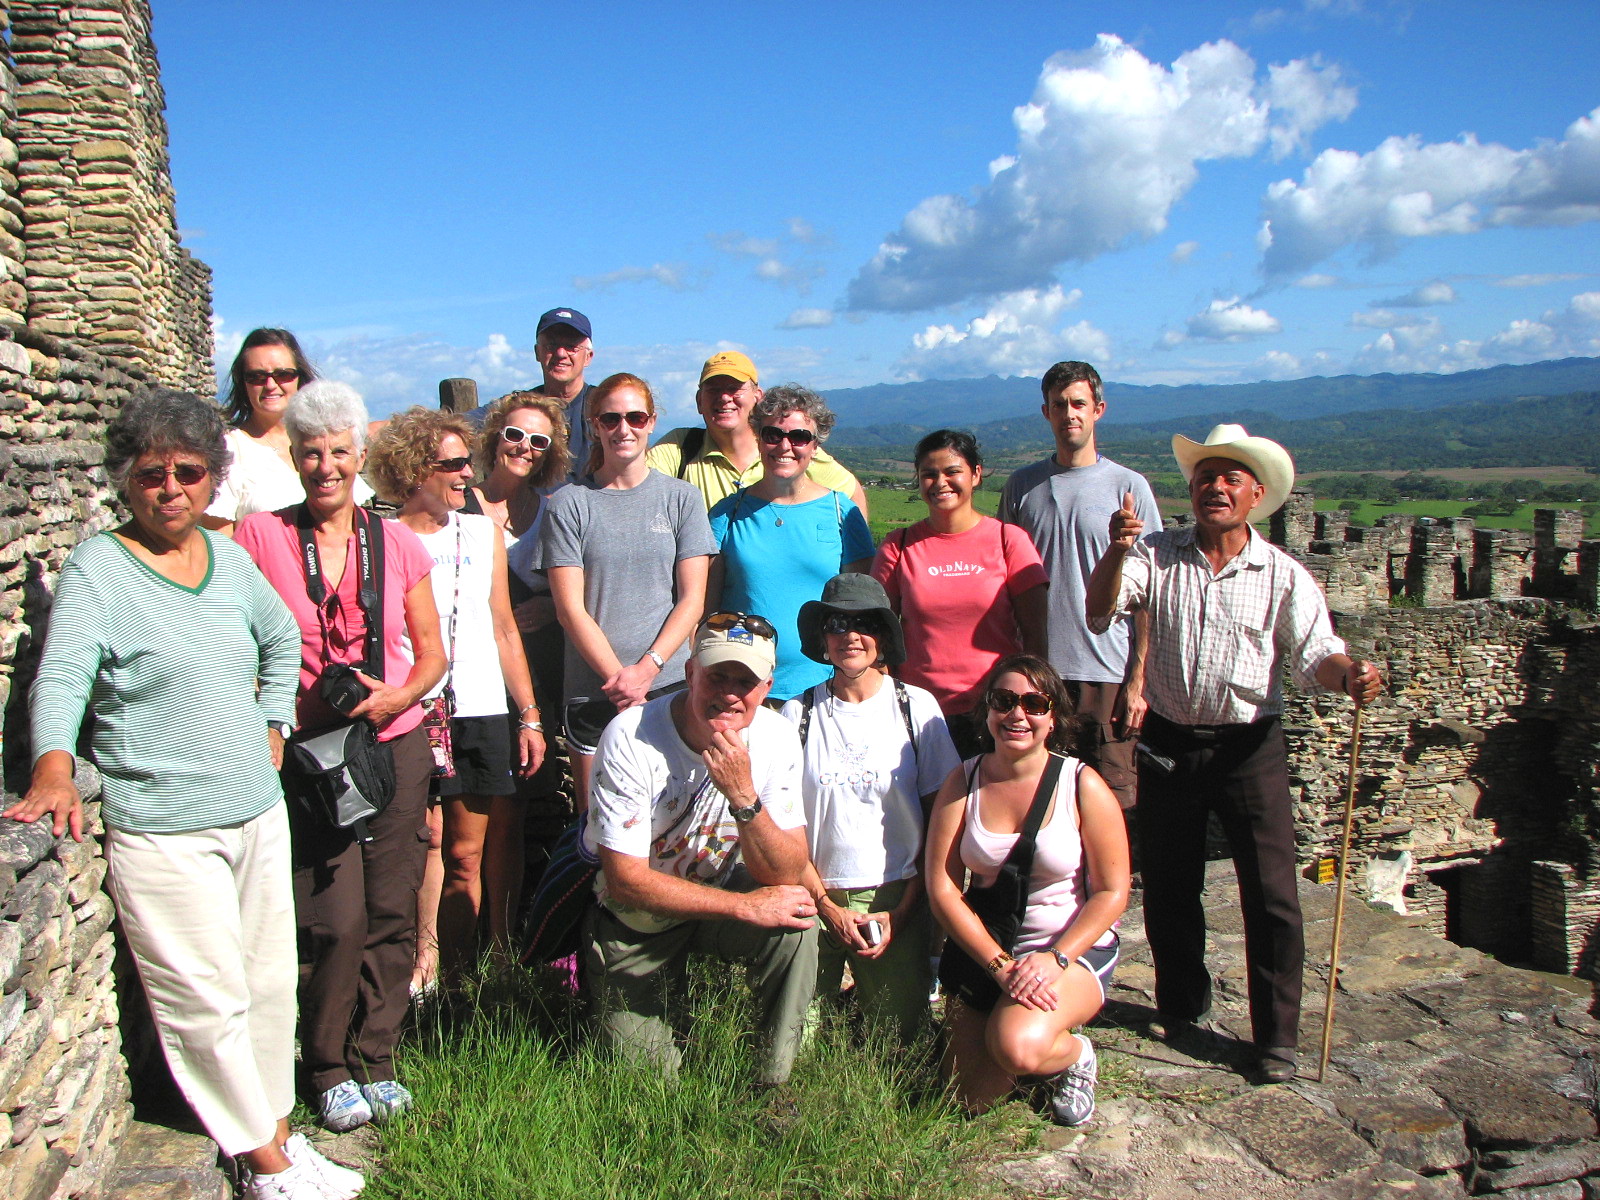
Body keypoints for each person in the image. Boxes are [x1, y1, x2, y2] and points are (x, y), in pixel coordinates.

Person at [6, 390, 364, 1200]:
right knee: (204, 999)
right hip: (165, 824)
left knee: (266, 984)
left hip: (255, 811)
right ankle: (267, 1166)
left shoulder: (227, 560)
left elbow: (281, 636)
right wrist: (54, 763)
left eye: (189, 472)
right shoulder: (100, 568)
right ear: (124, 480)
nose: (170, 489)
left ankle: (275, 1135)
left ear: (212, 479)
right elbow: (63, 675)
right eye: (151, 474)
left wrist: (273, 720)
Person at [1085, 423, 1383, 1084]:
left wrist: (1351, 677)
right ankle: (1180, 1004)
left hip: (1250, 747)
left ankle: (1277, 1038)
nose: (1214, 488)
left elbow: (1317, 653)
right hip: (1169, 742)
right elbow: (1100, 611)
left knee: (1272, 894)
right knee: (1169, 885)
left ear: (1255, 496)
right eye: (1205, 477)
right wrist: (1116, 550)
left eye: (1230, 479)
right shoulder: (1154, 554)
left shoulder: (1282, 575)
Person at [235, 381, 447, 1133]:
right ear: (294, 458)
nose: (325, 467)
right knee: (333, 914)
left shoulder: (397, 544)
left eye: (338, 452)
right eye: (310, 453)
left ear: (360, 456)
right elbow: (235, 635)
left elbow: (432, 655)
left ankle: (376, 1056)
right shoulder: (260, 537)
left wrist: (396, 698)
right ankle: (326, 1064)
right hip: (311, 752)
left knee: (391, 906)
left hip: (391, 743)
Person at [583, 613, 818, 1084]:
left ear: (767, 687)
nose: (730, 693)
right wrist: (744, 907)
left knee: (796, 918)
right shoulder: (631, 736)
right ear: (690, 673)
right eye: (717, 676)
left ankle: (771, 1084)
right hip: (637, 920)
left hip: (718, 888)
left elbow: (788, 869)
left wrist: (744, 798)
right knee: (649, 1092)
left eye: (745, 681)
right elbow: (626, 881)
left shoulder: (775, 736)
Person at [365, 408, 545, 989]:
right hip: (412, 708)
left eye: (468, 462)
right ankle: (424, 962)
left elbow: (503, 626)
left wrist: (529, 715)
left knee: (467, 853)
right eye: (454, 464)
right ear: (414, 470)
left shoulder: (481, 533)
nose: (469, 473)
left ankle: (462, 979)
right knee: (427, 843)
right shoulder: (379, 538)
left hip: (479, 705)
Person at [924, 655, 1129, 1126]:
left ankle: (1075, 1054)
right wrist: (999, 965)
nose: (1017, 714)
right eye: (1004, 701)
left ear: (1053, 717)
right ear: (987, 711)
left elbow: (1112, 892)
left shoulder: (1081, 784)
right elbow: (943, 886)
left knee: (1016, 1048)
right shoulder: (964, 780)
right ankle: (1012, 1025)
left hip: (1067, 950)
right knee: (967, 1099)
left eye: (1035, 704)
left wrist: (1056, 958)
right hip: (994, 949)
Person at [783, 574, 959, 1042]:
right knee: (796, 1041)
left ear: (883, 636)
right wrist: (825, 907)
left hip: (895, 896)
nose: (851, 636)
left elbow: (942, 819)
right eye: (837, 624)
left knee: (898, 1042)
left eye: (865, 623)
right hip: (812, 896)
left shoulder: (916, 708)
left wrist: (904, 911)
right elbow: (785, 825)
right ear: (823, 637)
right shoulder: (797, 713)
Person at [533, 372, 717, 813]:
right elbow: (569, 609)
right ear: (595, 425)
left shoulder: (682, 499)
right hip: (594, 692)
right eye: (610, 419)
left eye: (635, 417)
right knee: (598, 826)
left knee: (672, 821)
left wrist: (647, 670)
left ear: (651, 422)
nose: (623, 428)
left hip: (669, 687)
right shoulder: (570, 504)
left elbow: (692, 600)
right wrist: (622, 682)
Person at [999, 361, 1162, 812]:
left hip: (1107, 673)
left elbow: (1149, 594)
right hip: (1039, 671)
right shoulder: (1022, 487)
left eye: (1078, 404)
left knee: (1112, 803)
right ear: (1046, 412)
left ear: (1098, 410)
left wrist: (1138, 680)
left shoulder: (1129, 486)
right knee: (1039, 803)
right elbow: (1004, 580)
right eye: (1059, 405)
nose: (1069, 414)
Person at [875, 429, 1049, 756]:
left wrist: (1033, 703)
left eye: (952, 471)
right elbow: (877, 633)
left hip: (997, 712)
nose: (941, 482)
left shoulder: (1008, 540)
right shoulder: (899, 545)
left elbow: (1035, 635)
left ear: (976, 474)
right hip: (919, 713)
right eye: (929, 474)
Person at [707, 384, 874, 703]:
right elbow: (707, 608)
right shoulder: (727, 514)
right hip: (741, 687)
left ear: (815, 446)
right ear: (758, 438)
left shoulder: (842, 513)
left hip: (824, 688)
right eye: (773, 434)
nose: (785, 446)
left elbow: (863, 610)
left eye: (799, 437)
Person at [646, 351, 868, 515]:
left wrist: (853, 550)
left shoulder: (786, 449)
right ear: (699, 401)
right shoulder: (681, 447)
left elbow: (851, 492)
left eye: (734, 388)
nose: (724, 398)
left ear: (757, 397)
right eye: (713, 389)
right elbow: (638, 485)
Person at [203, 327, 372, 536]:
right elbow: (221, 543)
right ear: (243, 382)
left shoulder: (329, 442)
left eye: (283, 374)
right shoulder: (230, 451)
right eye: (257, 376)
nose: (270, 385)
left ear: (299, 377)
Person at [467, 307, 595, 480]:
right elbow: (456, 427)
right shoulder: (513, 407)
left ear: (588, 357)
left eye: (571, 347)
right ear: (537, 352)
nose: (560, 353)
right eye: (551, 345)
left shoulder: (607, 409)